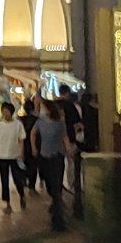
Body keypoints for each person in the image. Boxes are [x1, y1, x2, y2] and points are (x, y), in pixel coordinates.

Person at [30, 95, 70, 230]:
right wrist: (34, 147)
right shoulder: (40, 122)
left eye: (43, 107)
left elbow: (65, 137)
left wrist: (68, 149)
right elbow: (33, 133)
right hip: (44, 156)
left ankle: (58, 216)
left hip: (57, 156)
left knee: (56, 184)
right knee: (49, 183)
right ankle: (56, 203)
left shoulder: (59, 123)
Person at [0, 98, 28, 212]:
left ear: (11, 112)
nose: (5, 113)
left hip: (14, 156)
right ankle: (7, 203)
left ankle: (22, 195)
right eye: (3, 111)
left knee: (17, 178)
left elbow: (21, 140)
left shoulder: (18, 124)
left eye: (6, 111)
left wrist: (21, 153)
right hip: (2, 156)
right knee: (4, 181)